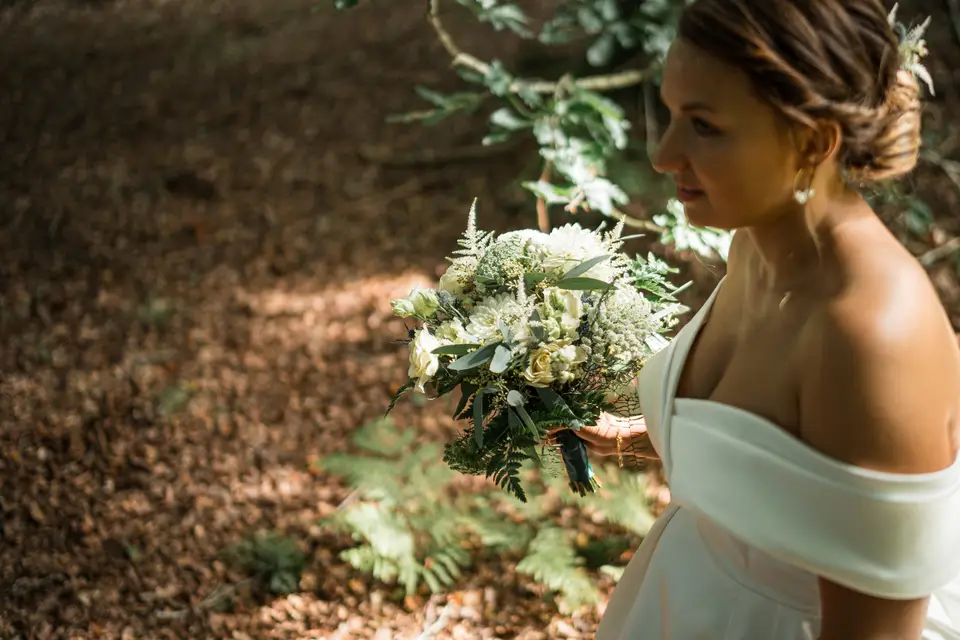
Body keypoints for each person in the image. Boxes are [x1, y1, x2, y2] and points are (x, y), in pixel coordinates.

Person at [553, 1, 960, 638]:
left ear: (814, 140)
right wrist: (642, 437)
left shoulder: (872, 337)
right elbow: (786, 458)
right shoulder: (757, 245)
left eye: (705, 126)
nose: (663, 154)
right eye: (669, 112)